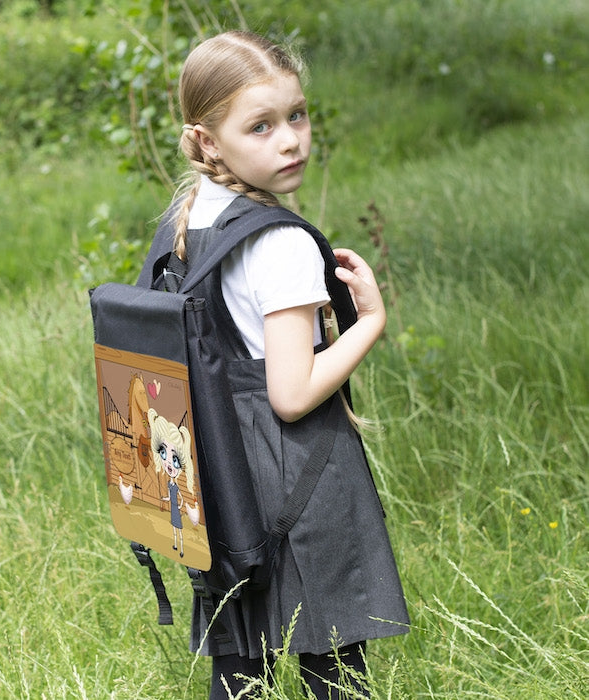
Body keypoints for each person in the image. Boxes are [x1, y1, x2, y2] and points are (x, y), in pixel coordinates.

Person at [154, 30, 409, 699]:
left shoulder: (187, 221)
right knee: (335, 671)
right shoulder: (282, 243)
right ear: (207, 141)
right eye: (261, 126)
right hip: (297, 475)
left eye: (297, 115)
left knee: (242, 671)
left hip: (220, 475)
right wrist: (370, 322)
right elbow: (292, 393)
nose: (290, 140)